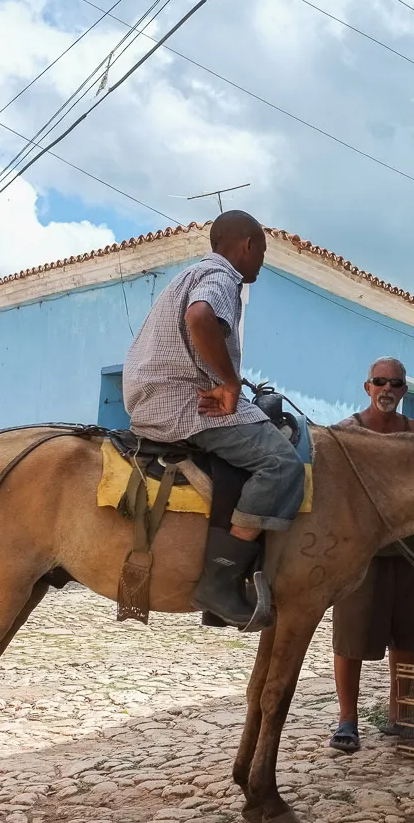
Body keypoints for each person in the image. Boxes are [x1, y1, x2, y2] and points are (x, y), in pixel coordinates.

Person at [123, 210, 305, 631]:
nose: (261, 262)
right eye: (262, 252)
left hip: (154, 398)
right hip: (186, 403)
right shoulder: (222, 275)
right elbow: (200, 317)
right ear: (248, 246)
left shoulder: (187, 275)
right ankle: (220, 583)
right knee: (281, 464)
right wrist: (229, 382)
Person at [328, 357, 414, 752]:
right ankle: (347, 720)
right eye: (380, 382)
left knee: (407, 638)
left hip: (411, 551)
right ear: (367, 387)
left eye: (395, 383)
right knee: (351, 638)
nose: (387, 389)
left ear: (403, 390)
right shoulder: (347, 432)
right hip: (362, 555)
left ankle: (400, 716)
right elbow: (334, 494)